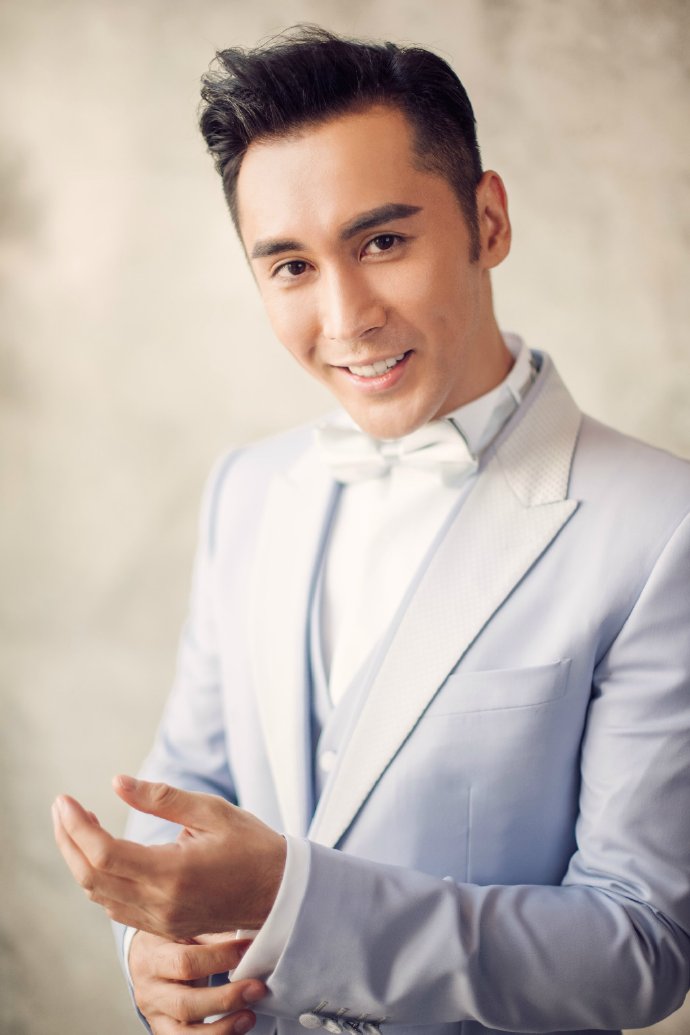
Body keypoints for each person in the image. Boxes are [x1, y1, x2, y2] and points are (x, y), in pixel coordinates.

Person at [53, 25, 690, 1035]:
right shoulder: (246, 490)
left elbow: (640, 948)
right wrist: (148, 953)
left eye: (382, 242)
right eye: (291, 266)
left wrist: (295, 904)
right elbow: (188, 784)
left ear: (488, 221)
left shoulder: (664, 528)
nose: (346, 317)